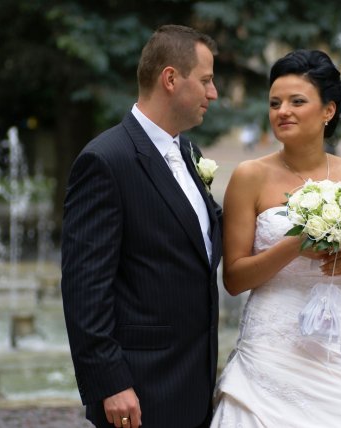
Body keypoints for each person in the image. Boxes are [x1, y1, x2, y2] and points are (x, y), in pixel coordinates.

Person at [211, 49, 341, 427]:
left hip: (340, 343)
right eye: (275, 103)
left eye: (297, 101)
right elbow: (234, 279)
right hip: (271, 343)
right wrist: (296, 244)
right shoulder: (249, 176)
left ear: (328, 111)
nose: (282, 111)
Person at [61, 25, 222, 428]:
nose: (214, 93)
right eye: (205, 80)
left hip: (193, 383)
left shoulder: (189, 151)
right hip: (140, 389)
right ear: (170, 78)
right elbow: (84, 287)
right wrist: (110, 383)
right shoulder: (105, 160)